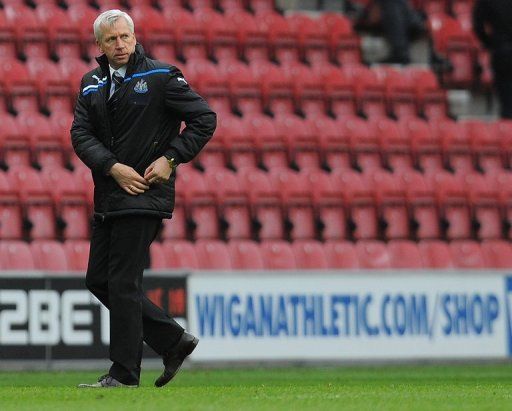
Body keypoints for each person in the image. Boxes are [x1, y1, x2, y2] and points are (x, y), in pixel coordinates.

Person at [71, 9, 216, 388]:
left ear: (134, 37)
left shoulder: (162, 76)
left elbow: (204, 118)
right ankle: (173, 340)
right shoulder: (90, 83)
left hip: (144, 194)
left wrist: (171, 159)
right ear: (99, 45)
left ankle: (123, 375)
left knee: (121, 282)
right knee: (99, 280)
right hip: (109, 195)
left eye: (125, 37)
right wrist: (111, 166)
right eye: (111, 39)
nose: (120, 44)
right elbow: (80, 135)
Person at [473, 0, 512, 119]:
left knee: (506, 100)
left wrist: (490, 43)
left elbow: (478, 25)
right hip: (501, 49)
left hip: (501, 50)